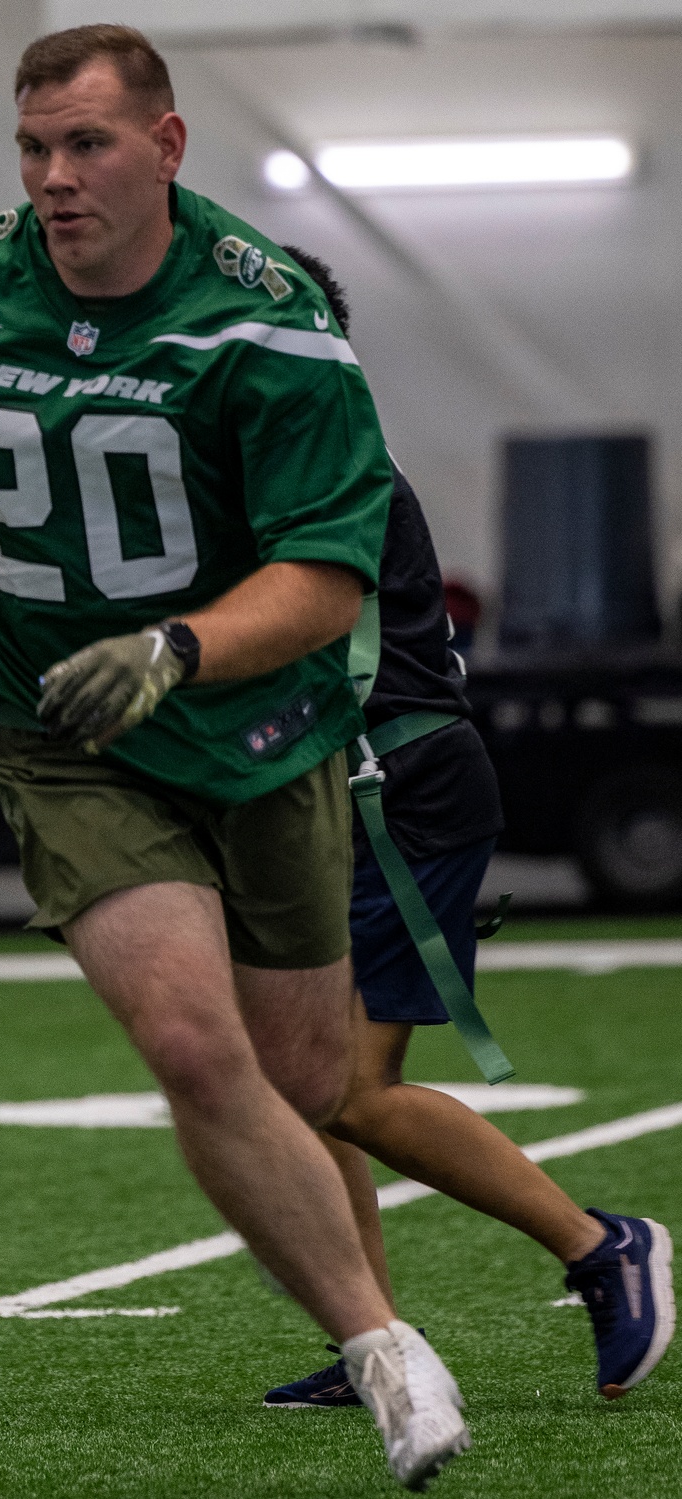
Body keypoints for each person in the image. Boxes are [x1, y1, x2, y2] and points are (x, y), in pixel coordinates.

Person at [0, 23, 471, 1490]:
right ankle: (384, 1348)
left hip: (258, 731)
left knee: (303, 1079)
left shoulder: (271, 320)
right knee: (184, 1038)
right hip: (61, 739)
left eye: (88, 145)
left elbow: (327, 575)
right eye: (34, 148)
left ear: (166, 148)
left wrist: (174, 647)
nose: (54, 178)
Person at [261, 249, 675, 1412]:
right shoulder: (288, 446)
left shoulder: (321, 453)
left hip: (395, 784)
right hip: (347, 779)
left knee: (353, 1089)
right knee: (306, 1081)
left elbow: (281, 637)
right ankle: (371, 1335)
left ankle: (603, 1243)